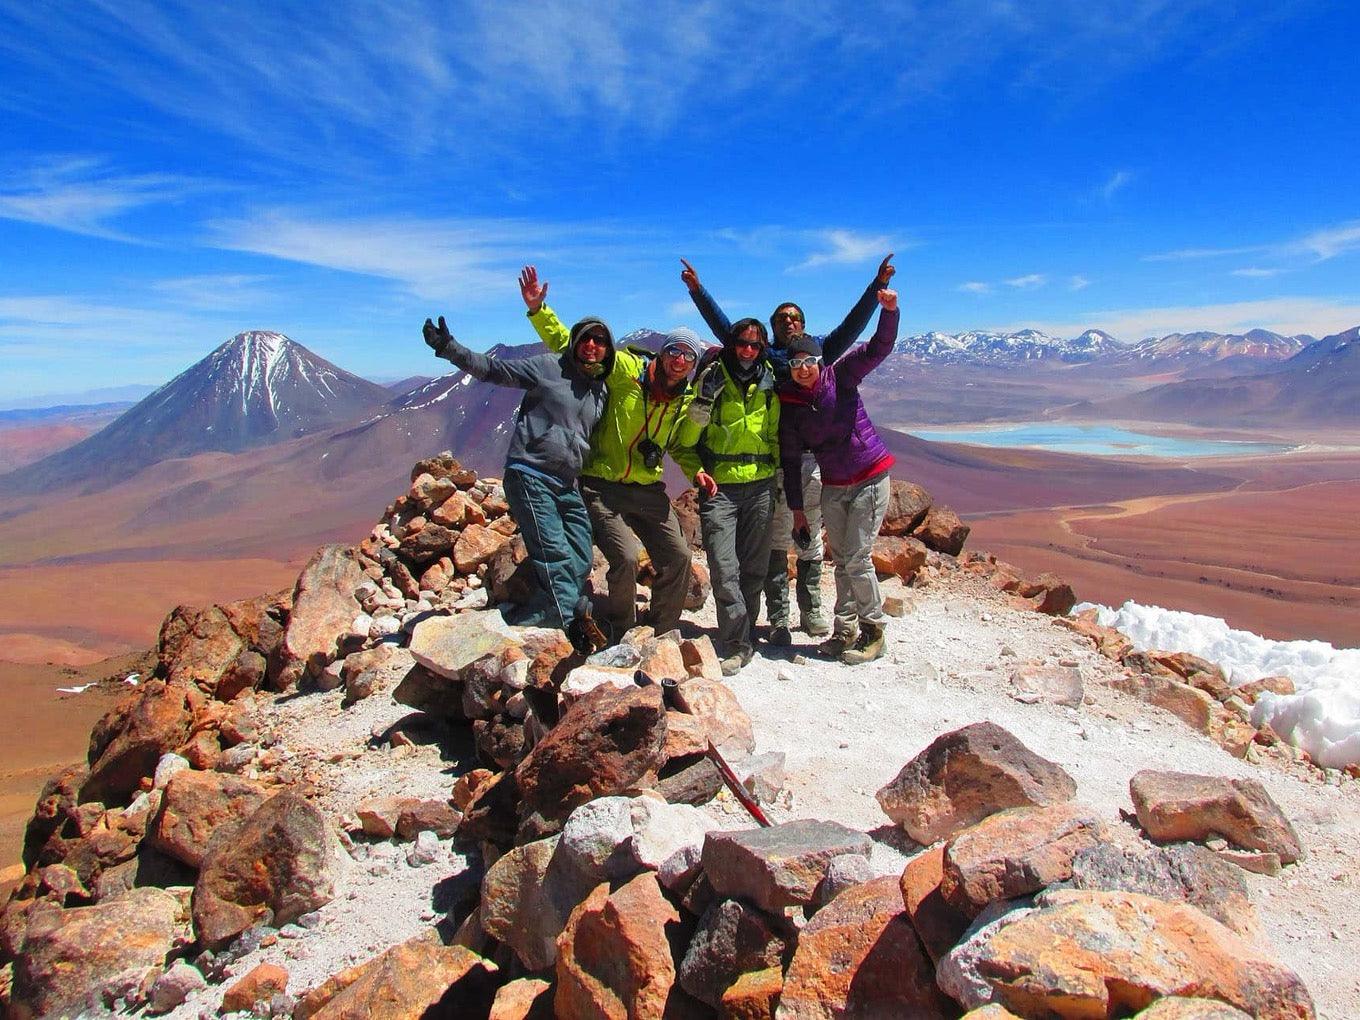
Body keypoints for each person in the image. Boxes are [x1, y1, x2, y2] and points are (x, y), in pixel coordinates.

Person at [679, 254, 895, 645]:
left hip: (811, 462)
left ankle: (811, 609)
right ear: (773, 329)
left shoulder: (821, 351)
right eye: (782, 319)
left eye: (795, 317)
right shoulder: (766, 356)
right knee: (777, 539)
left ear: (805, 324)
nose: (790, 322)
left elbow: (853, 326)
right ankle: (779, 617)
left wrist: (874, 288)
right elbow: (729, 331)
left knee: (809, 537)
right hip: (774, 460)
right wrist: (698, 292)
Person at [516, 265, 701, 638]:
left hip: (648, 488)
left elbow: (680, 443)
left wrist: (696, 471)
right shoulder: (626, 370)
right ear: (663, 353)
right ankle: (621, 631)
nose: (680, 360)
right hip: (603, 485)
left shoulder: (685, 400)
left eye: (688, 356)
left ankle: (662, 630)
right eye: (674, 351)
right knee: (627, 558)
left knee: (680, 557)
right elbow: (577, 349)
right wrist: (539, 311)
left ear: (693, 364)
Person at [421, 307, 612, 652]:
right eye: (586, 338)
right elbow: (496, 370)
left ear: (607, 349)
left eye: (600, 341)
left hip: (567, 483)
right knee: (552, 551)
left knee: (582, 554)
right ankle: (573, 629)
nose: (592, 345)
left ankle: (541, 612)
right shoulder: (549, 367)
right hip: (530, 473)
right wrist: (450, 348)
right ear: (575, 341)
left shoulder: (600, 390)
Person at [777, 287, 900, 664]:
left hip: (868, 476)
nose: (802, 369)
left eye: (808, 362)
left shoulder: (841, 376)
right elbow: (791, 460)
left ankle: (874, 631)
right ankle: (844, 630)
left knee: (858, 558)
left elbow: (877, 348)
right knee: (843, 560)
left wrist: (890, 312)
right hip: (833, 485)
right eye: (795, 364)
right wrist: (798, 512)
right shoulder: (792, 407)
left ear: (818, 361)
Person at [672, 318, 780, 676]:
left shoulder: (771, 380)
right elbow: (683, 442)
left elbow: (778, 433)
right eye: (743, 344)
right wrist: (702, 404)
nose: (748, 351)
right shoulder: (712, 379)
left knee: (754, 568)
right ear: (732, 344)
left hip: (763, 484)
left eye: (755, 345)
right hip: (721, 488)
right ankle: (735, 642)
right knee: (723, 566)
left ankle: (744, 633)